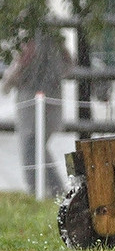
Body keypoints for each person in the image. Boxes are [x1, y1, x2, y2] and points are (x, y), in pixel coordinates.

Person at [2, 31, 72, 195]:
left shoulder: (52, 41)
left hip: (42, 98)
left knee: (32, 144)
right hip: (35, 98)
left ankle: (43, 189)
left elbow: (67, 64)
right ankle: (49, 189)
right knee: (33, 144)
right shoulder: (38, 40)